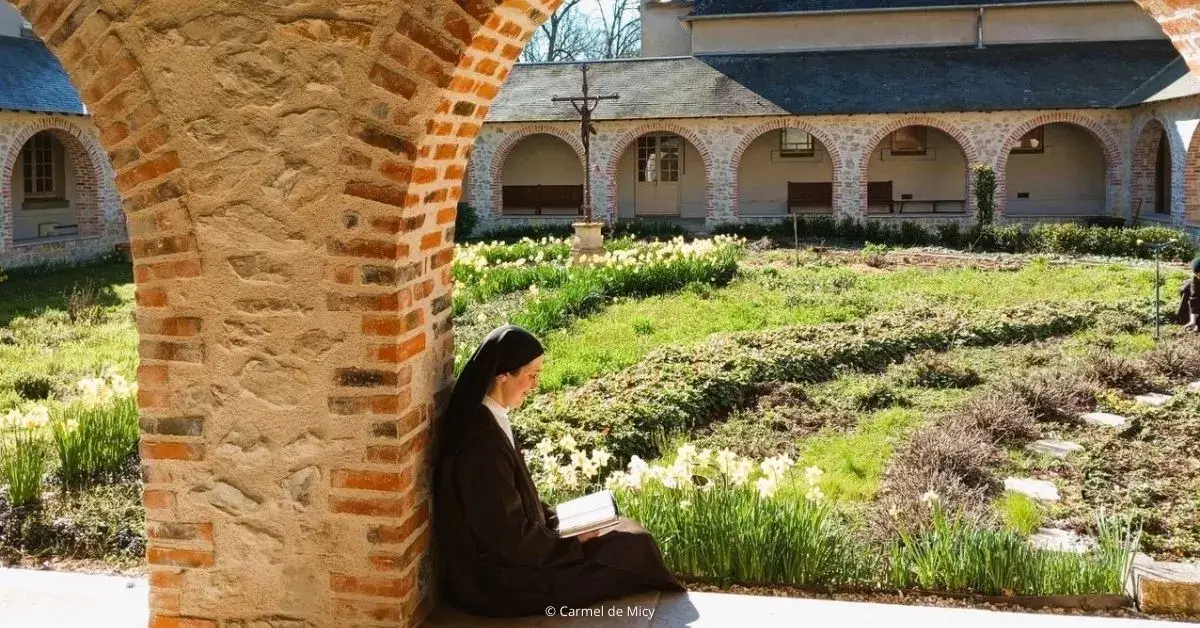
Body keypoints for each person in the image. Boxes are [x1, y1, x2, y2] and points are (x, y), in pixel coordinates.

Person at [433, 324, 685, 617]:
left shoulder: (490, 418)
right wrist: (571, 544)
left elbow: (511, 505)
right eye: (531, 375)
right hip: (498, 581)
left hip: (518, 554)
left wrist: (561, 520)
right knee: (630, 547)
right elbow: (506, 535)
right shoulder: (481, 444)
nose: (535, 384)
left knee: (625, 534)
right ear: (503, 376)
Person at [1178, 257, 1200, 332]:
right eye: (1198, 275)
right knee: (1186, 287)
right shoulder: (1196, 279)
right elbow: (1195, 298)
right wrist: (1193, 321)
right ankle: (1194, 323)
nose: (1199, 277)